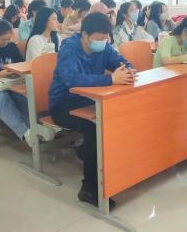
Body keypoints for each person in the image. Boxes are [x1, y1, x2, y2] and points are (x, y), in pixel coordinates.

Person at [49, 12, 136, 207]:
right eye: (99, 38)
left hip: (91, 99)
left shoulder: (104, 47)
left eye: (106, 38)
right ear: (85, 35)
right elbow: (72, 79)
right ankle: (89, 188)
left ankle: (94, 156)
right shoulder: (69, 49)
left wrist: (128, 71)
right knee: (94, 126)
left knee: (119, 116)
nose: (103, 42)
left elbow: (122, 62)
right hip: (64, 104)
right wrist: (110, 79)